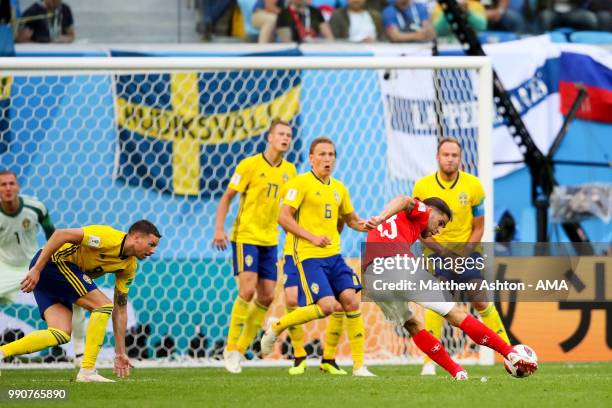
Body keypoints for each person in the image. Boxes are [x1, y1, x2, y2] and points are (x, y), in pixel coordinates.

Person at [363, 194, 538, 379]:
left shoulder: (397, 222)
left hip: (373, 277)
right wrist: (381, 217)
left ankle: (457, 371)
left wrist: (378, 220)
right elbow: (405, 200)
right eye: (440, 223)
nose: (438, 230)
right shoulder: (422, 210)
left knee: (412, 324)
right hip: (398, 265)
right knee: (455, 314)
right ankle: (511, 353)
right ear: (430, 211)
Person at [260, 137, 375, 377]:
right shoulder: (299, 184)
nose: (327, 159)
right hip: (309, 257)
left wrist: (370, 225)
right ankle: (278, 326)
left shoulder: (339, 188)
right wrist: (311, 237)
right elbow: (283, 217)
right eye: (322, 154)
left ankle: (359, 366)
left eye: (331, 155)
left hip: (334, 256)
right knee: (326, 307)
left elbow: (351, 219)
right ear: (311, 158)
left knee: (352, 301)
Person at [0, 220, 161, 382]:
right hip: (52, 263)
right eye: (151, 244)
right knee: (103, 305)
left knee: (60, 333)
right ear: (137, 237)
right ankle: (88, 371)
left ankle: (1, 353)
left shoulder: (129, 267)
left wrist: (120, 352)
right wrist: (37, 269)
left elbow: (120, 308)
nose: (153, 251)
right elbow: (60, 234)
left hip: (53, 272)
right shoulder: (106, 238)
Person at [412, 138, 511, 376]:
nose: (450, 159)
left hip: (468, 251)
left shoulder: (474, 186)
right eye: (445, 154)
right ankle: (430, 362)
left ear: (460, 158)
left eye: (454, 155)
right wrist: (445, 253)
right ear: (438, 157)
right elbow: (419, 230)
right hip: (435, 251)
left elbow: (479, 227)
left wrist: (463, 255)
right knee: (438, 299)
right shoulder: (422, 187)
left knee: (479, 298)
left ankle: (510, 354)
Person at [213, 120, 297, 374]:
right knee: (247, 291)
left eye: (289, 135)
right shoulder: (249, 165)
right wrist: (219, 228)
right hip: (246, 236)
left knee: (267, 296)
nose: (285, 138)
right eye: (281, 134)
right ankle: (230, 348)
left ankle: (241, 348)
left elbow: (287, 210)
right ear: (270, 137)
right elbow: (227, 197)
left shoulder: (290, 171)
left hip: (270, 240)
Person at [0, 170, 86, 367]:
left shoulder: (35, 207)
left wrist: (56, 263)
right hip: (3, 267)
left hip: (35, 265)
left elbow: (52, 236)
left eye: (11, 183)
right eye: (3, 184)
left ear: (18, 187)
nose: (8, 188)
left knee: (76, 295)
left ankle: (80, 355)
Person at [282, 220, 351, 375]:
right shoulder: (294, 196)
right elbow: (284, 218)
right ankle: (299, 355)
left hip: (325, 254)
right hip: (295, 253)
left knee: (339, 303)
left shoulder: (335, 195)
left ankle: (329, 359)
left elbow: (342, 218)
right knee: (291, 298)